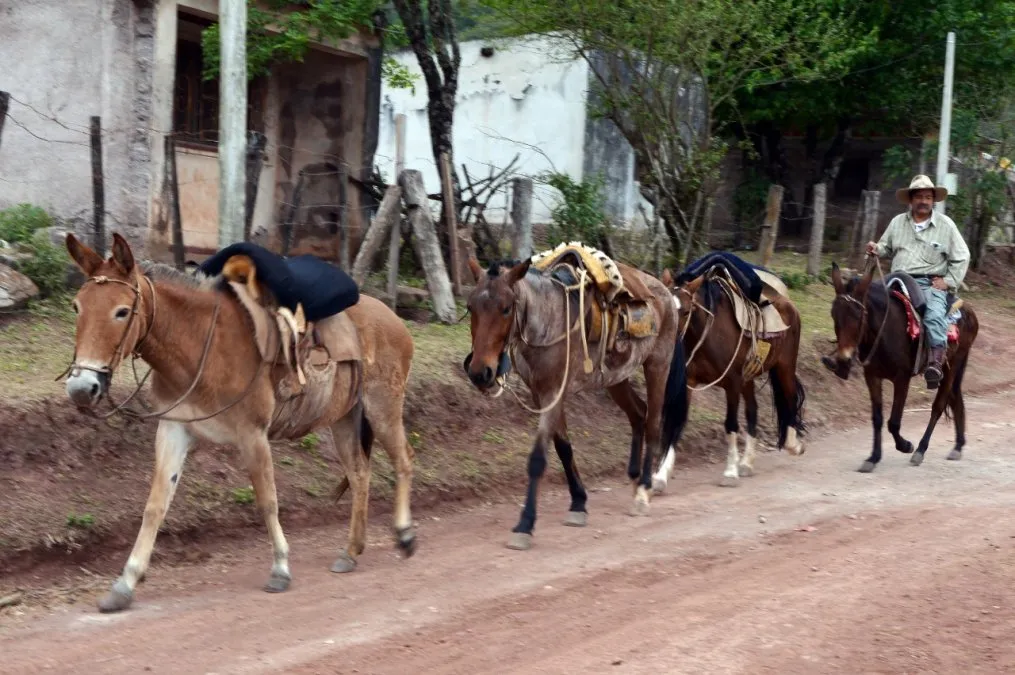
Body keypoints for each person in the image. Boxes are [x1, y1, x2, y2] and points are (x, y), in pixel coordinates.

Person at [865, 174, 970, 389]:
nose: (923, 201)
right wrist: (876, 248)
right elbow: (886, 247)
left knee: (933, 314)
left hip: (928, 283)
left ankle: (934, 363)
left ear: (933, 200)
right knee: (864, 304)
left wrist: (948, 281)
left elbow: (962, 256)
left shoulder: (946, 225)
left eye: (928, 197)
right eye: (919, 196)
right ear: (911, 200)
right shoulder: (897, 222)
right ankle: (850, 355)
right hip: (896, 280)